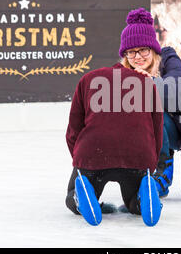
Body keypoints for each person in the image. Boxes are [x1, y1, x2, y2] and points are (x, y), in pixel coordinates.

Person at [120, 8, 181, 202]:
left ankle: (177, 165)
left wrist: (149, 83)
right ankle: (162, 172)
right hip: (168, 128)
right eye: (131, 52)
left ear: (153, 49)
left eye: (143, 50)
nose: (137, 57)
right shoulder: (128, 74)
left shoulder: (169, 59)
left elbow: (175, 91)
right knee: (143, 111)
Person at [64, 46, 164, 226]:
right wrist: (150, 165)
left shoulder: (87, 79)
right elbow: (157, 129)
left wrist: (80, 161)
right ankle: (141, 199)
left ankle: (80, 197)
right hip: (137, 155)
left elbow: (73, 129)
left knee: (71, 195)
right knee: (133, 202)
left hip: (93, 152)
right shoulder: (147, 82)